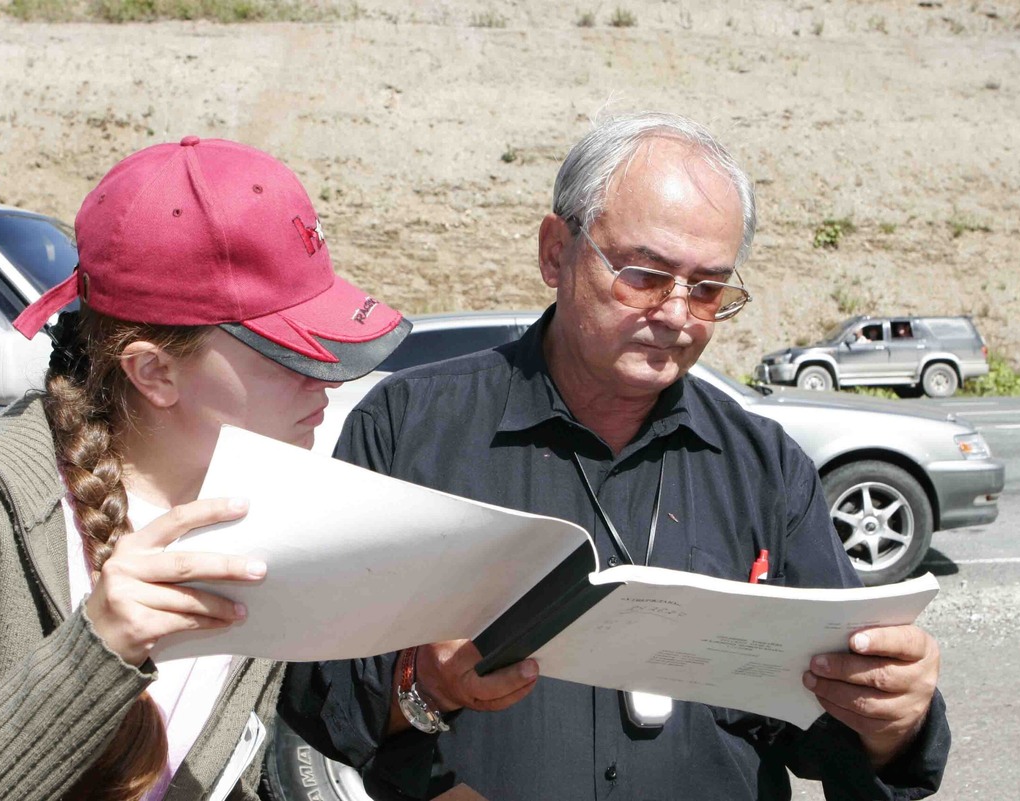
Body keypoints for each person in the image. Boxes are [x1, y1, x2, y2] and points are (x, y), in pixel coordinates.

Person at [282, 113, 948, 800]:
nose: (678, 313)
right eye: (645, 274)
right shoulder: (408, 429)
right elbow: (311, 710)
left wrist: (895, 719)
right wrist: (424, 689)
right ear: (554, 252)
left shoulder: (767, 468)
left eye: (709, 289)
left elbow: (838, 737)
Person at [0, 137, 409, 800]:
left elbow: (260, 758)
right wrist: (97, 651)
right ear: (154, 371)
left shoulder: (266, 503)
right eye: (293, 356)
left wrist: (420, 695)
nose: (326, 383)